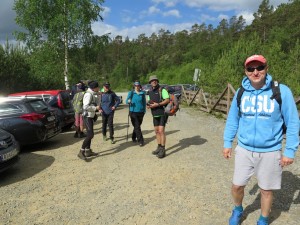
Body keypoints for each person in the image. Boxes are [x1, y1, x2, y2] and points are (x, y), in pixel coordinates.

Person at [223, 55, 299, 225]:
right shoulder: (241, 92)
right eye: (251, 68)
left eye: (260, 68)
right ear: (246, 71)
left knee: (266, 190)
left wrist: (290, 150)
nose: (255, 72)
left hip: (270, 150)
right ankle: (237, 209)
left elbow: (293, 122)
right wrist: (227, 142)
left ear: (266, 68)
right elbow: (233, 119)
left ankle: (263, 219)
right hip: (244, 149)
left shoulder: (281, 91)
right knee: (237, 186)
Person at [147, 75, 170, 158]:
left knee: (161, 131)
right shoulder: (150, 91)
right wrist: (149, 105)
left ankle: (163, 150)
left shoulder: (162, 90)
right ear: (150, 82)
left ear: (157, 81)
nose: (154, 81)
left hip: (162, 113)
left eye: (155, 80)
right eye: (152, 80)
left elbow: (167, 99)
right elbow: (150, 101)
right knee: (156, 131)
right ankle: (159, 147)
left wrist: (158, 104)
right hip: (154, 114)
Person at [78, 80, 101, 160]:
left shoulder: (94, 93)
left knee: (89, 134)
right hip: (87, 116)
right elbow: (85, 107)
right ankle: (81, 151)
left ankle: (87, 151)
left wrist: (98, 108)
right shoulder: (88, 94)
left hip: (91, 116)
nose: (99, 88)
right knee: (90, 135)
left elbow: (95, 103)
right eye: (98, 87)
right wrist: (95, 108)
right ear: (94, 88)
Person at [125, 81, 146, 146]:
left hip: (141, 112)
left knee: (137, 126)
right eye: (136, 86)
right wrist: (128, 101)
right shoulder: (131, 93)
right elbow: (126, 101)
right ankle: (141, 140)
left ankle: (133, 137)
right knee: (137, 126)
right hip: (133, 112)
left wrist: (144, 110)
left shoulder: (142, 93)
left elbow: (144, 102)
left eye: (138, 86)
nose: (137, 87)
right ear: (134, 86)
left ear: (140, 86)